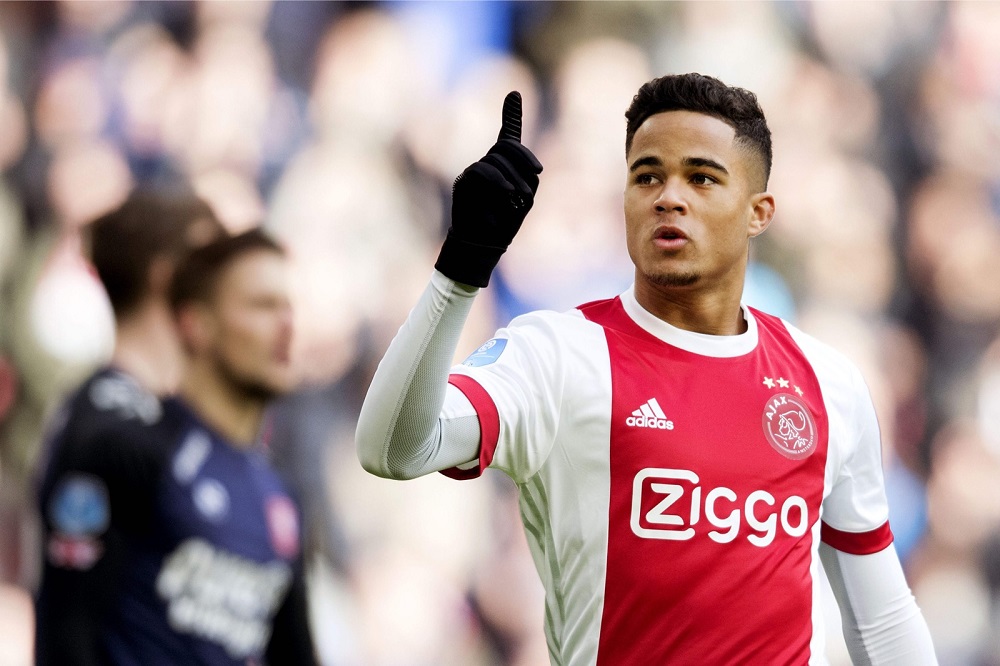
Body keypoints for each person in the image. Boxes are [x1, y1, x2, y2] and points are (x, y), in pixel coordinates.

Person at [356, 75, 938, 664]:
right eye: (647, 176)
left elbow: (882, 619)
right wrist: (461, 268)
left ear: (758, 213)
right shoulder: (560, 355)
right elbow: (394, 449)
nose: (668, 196)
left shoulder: (827, 382)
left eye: (702, 177)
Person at [35, 227, 318, 665]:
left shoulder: (281, 497)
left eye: (290, 308)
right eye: (263, 306)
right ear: (196, 325)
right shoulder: (125, 452)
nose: (287, 326)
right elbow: (66, 631)